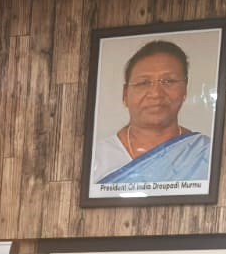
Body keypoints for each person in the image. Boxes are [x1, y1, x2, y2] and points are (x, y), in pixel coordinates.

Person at [89, 39, 212, 191]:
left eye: (168, 81)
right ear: (125, 95)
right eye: (143, 83)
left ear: (185, 90)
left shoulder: (205, 153)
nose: (156, 93)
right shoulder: (96, 158)